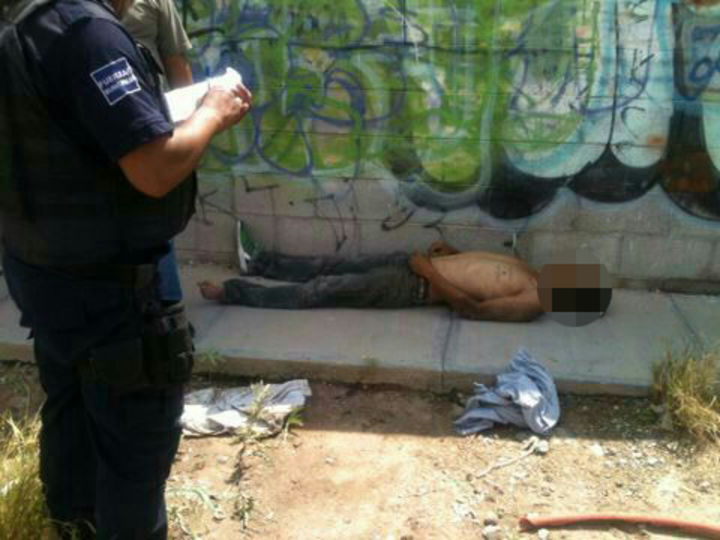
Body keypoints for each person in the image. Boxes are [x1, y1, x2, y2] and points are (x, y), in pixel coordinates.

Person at [0, 0, 251, 537]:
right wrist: (213, 111)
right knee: (135, 446)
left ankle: (72, 526)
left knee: (72, 414)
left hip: (42, 269)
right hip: (112, 287)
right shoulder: (89, 35)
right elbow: (155, 170)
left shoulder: (26, 21)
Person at [198, 241, 544, 322]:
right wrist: (453, 252)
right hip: (416, 263)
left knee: (323, 290)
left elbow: (473, 309)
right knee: (328, 265)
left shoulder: (531, 301)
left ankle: (233, 293)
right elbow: (477, 274)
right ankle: (259, 264)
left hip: (414, 285)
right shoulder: (531, 270)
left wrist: (429, 273)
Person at [122, 0, 193, 307]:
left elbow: (176, 61)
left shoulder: (155, 3)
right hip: (99, 125)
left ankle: (167, 301)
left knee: (155, 212)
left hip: (152, 124)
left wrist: (189, 125)